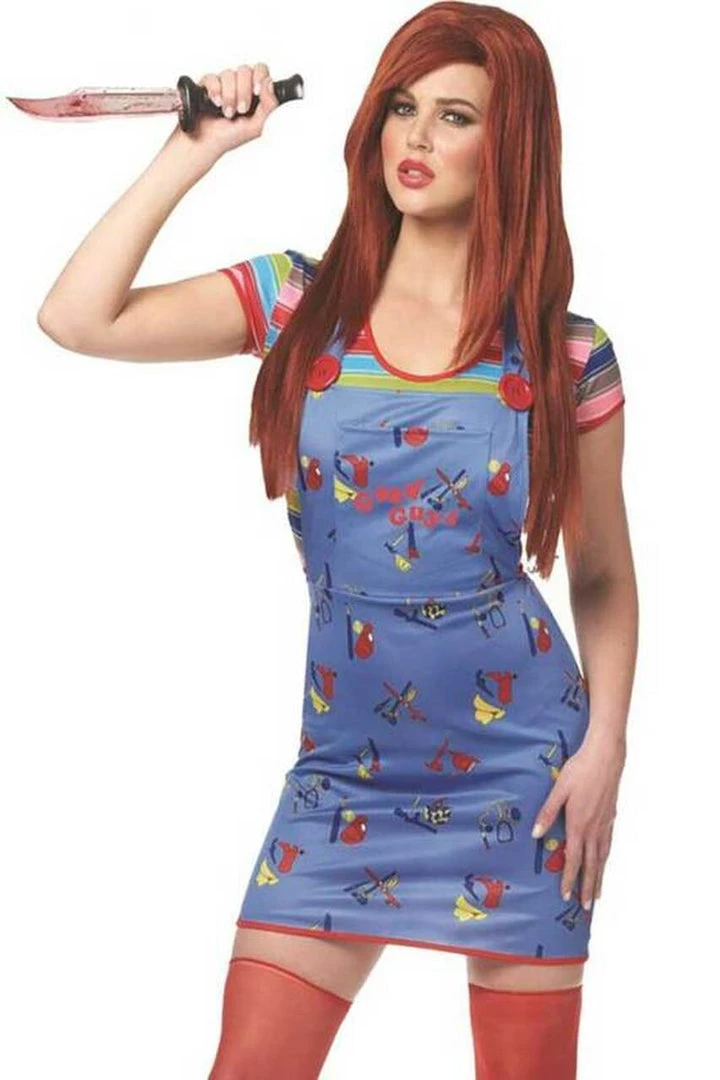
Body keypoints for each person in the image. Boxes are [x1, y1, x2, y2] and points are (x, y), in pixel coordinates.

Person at [36, 4, 638, 1077]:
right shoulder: (299, 305)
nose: (417, 136)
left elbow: (599, 574)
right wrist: (195, 147)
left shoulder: (564, 354)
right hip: (342, 775)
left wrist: (607, 750)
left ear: (509, 145)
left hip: (524, 770)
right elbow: (79, 318)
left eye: (455, 116)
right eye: (402, 107)